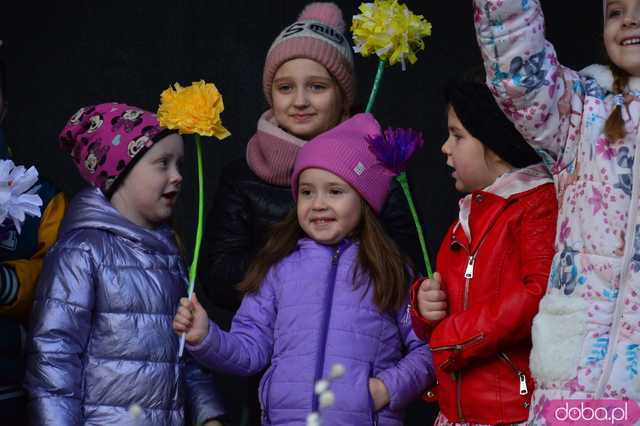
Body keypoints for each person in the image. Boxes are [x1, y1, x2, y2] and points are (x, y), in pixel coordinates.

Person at [175, 113, 434, 426]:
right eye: (307, 192)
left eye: (335, 191)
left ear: (365, 200)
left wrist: (385, 389)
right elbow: (249, 350)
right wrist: (206, 337)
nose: (318, 203)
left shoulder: (391, 269)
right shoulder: (277, 267)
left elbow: (430, 349)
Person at [472, 0, 640, 420]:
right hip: (576, 383)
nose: (630, 20)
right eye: (616, 12)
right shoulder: (581, 111)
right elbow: (518, 71)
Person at [24, 103, 225, 425]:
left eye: (181, 164)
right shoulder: (83, 252)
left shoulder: (168, 254)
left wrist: (208, 414)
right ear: (120, 173)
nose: (177, 176)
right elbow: (53, 356)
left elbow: (187, 354)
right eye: (163, 164)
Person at [410, 69, 558, 425]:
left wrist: (456, 338)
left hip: (508, 412)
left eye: (457, 136)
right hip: (456, 412)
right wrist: (423, 304)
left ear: (494, 141)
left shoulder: (535, 205)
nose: (445, 148)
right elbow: (448, 302)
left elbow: (539, 292)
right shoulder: (468, 215)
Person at [0, 57, 68, 426]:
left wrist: (8, 283)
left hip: (11, 388)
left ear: (4, 105)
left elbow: (57, 283)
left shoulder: (40, 198)